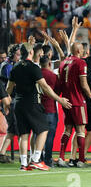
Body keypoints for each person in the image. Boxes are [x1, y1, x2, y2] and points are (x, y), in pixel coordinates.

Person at [6, 43, 71, 171]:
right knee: (44, 129)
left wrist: (6, 104)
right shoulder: (33, 68)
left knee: (23, 134)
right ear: (31, 53)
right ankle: (36, 159)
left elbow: (8, 88)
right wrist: (60, 100)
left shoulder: (15, 67)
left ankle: (24, 164)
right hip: (32, 103)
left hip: (18, 104)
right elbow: (45, 87)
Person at [57, 43, 91, 168]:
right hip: (78, 101)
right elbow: (84, 84)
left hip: (65, 100)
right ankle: (81, 160)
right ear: (79, 50)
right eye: (82, 49)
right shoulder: (80, 63)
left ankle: (61, 158)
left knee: (67, 129)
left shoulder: (63, 63)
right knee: (80, 130)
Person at [0, 44, 20, 163]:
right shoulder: (7, 67)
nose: (19, 57)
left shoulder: (8, 65)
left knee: (12, 129)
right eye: (17, 54)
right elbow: (11, 85)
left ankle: (2, 153)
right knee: (11, 128)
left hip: (8, 99)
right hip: (8, 99)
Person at [39, 55, 60, 167]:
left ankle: (37, 158)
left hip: (37, 108)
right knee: (50, 136)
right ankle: (47, 159)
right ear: (49, 64)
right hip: (50, 108)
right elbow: (57, 92)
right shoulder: (53, 76)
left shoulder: (37, 74)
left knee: (38, 134)